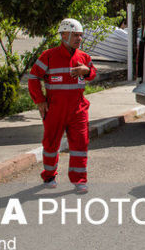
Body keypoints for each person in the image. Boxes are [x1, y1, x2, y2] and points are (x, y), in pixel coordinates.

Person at [27, 18, 96, 194]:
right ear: (64, 34)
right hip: (54, 110)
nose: (79, 39)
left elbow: (93, 73)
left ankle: (79, 180)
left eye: (80, 36)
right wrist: (40, 100)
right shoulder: (48, 56)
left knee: (80, 145)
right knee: (50, 144)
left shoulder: (83, 57)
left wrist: (86, 71)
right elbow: (34, 77)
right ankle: (49, 175)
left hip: (78, 110)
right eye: (75, 35)